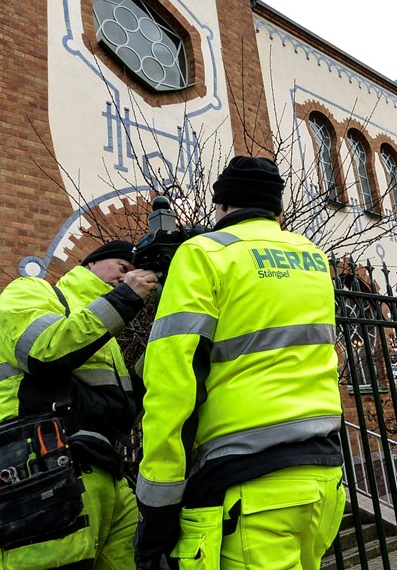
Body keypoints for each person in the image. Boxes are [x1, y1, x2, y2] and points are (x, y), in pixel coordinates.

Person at [134, 156, 346, 569]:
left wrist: (157, 505)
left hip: (248, 486)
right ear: (277, 209)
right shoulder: (313, 257)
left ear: (223, 205)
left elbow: (171, 384)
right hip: (322, 477)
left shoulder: (204, 254)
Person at [0, 239, 158, 569]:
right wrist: (124, 300)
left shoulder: (103, 330)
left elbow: (124, 410)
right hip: (40, 463)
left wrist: (167, 342)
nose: (126, 278)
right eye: (122, 268)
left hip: (105, 474)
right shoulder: (32, 291)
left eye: (133, 273)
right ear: (90, 264)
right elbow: (43, 352)